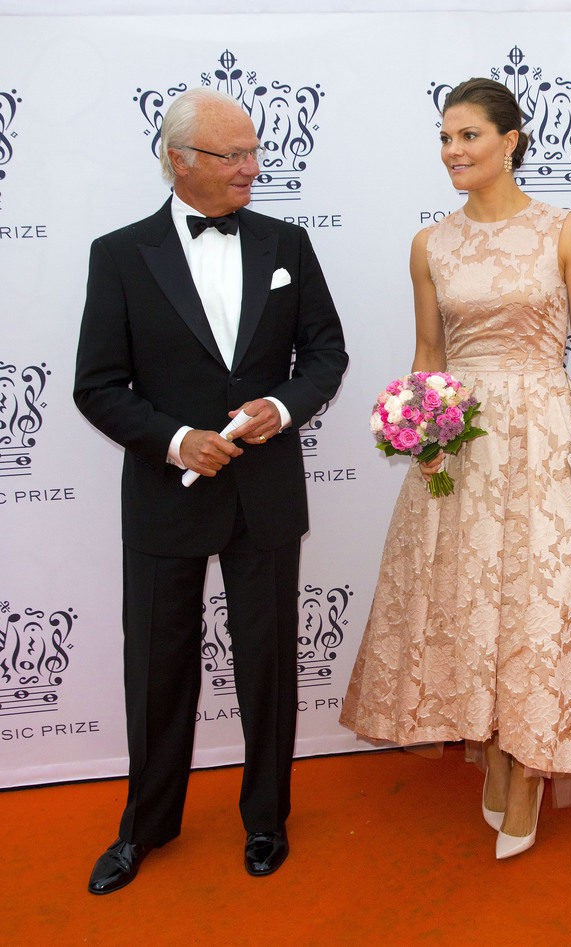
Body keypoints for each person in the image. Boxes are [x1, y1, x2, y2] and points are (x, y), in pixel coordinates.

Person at [340, 77, 571, 860]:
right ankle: (495, 751)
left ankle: (529, 770)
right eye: (446, 137)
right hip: (463, 444)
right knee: (473, 603)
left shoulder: (564, 230)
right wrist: (421, 437)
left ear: (511, 139)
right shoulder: (430, 243)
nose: (453, 151)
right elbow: (431, 353)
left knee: (543, 602)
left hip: (546, 434)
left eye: (469, 136)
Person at [74, 87, 347, 893]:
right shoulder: (120, 254)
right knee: (157, 667)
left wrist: (283, 405)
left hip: (263, 492)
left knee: (268, 662)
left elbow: (325, 353)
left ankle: (266, 818)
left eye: (254, 151)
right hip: (166, 494)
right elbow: (97, 385)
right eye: (233, 155)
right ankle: (146, 826)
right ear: (179, 160)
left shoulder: (287, 242)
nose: (252, 168)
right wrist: (172, 438)